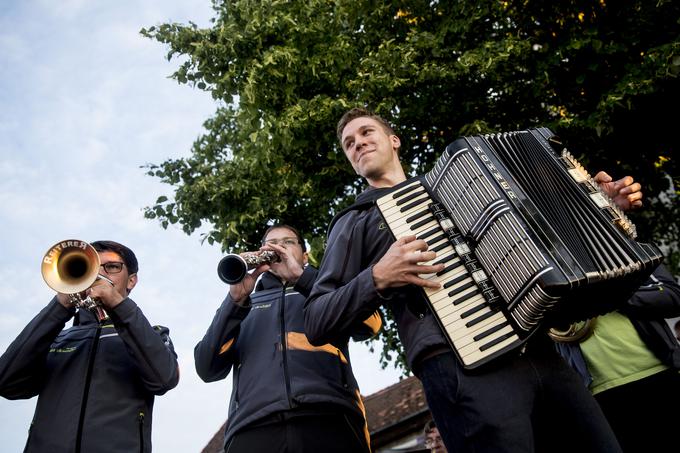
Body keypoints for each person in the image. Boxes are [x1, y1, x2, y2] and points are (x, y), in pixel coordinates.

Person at [304, 107, 645, 453]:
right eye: (349, 143)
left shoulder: (465, 182)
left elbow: (547, 240)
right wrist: (377, 277)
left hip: (542, 353)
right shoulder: (354, 221)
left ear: (394, 140)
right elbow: (317, 320)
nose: (358, 143)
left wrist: (601, 209)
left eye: (366, 133)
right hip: (462, 370)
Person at [194, 224, 379, 453]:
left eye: (288, 242)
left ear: (305, 255)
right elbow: (206, 367)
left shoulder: (326, 292)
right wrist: (234, 301)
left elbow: (371, 322)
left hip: (330, 417)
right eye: (271, 243)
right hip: (253, 428)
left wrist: (305, 279)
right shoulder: (242, 306)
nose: (279, 246)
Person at [0, 240, 179, 453]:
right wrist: (59, 306)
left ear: (131, 281)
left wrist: (118, 305)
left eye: (112, 267)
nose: (98, 273)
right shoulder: (58, 339)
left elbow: (164, 379)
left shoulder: (152, 334)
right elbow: (6, 382)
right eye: (91, 265)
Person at [555, 264, 680, 452]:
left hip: (659, 372)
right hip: (597, 393)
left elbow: (673, 295)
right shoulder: (544, 267)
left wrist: (612, 295)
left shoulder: (627, 246)